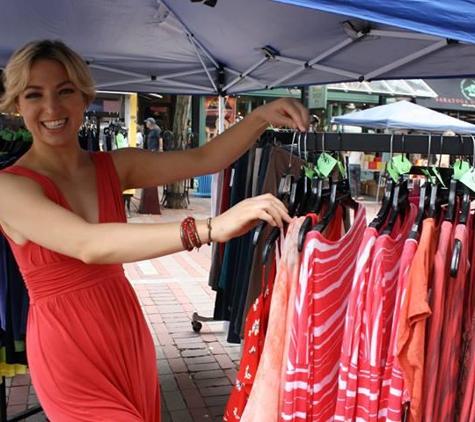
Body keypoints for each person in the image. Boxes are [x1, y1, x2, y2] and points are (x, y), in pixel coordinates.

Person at [0, 39, 309, 421]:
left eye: (65, 91)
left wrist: (260, 115)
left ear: (84, 97)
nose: (52, 107)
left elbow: (204, 159)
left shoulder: (113, 166)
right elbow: (86, 244)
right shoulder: (9, 186)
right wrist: (209, 227)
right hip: (65, 347)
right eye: (34, 95)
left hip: (125, 330)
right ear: (17, 104)